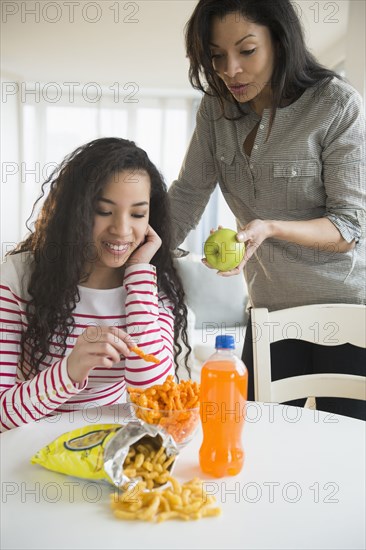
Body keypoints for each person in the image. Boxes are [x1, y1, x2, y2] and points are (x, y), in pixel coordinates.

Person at [168, 0, 366, 419]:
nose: (230, 70)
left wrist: (271, 227)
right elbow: (187, 195)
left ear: (279, 40)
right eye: (217, 56)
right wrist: (133, 248)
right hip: (269, 310)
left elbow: (348, 227)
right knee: (255, 434)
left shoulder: (336, 105)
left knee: (348, 447)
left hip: (348, 310)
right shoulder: (215, 111)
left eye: (247, 50)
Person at [0, 137, 191, 431]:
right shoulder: (17, 278)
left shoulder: (153, 285)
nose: (122, 230)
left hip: (108, 441)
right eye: (104, 211)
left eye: (138, 214)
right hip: (30, 438)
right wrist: (70, 369)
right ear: (76, 211)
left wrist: (138, 272)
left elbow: (156, 400)